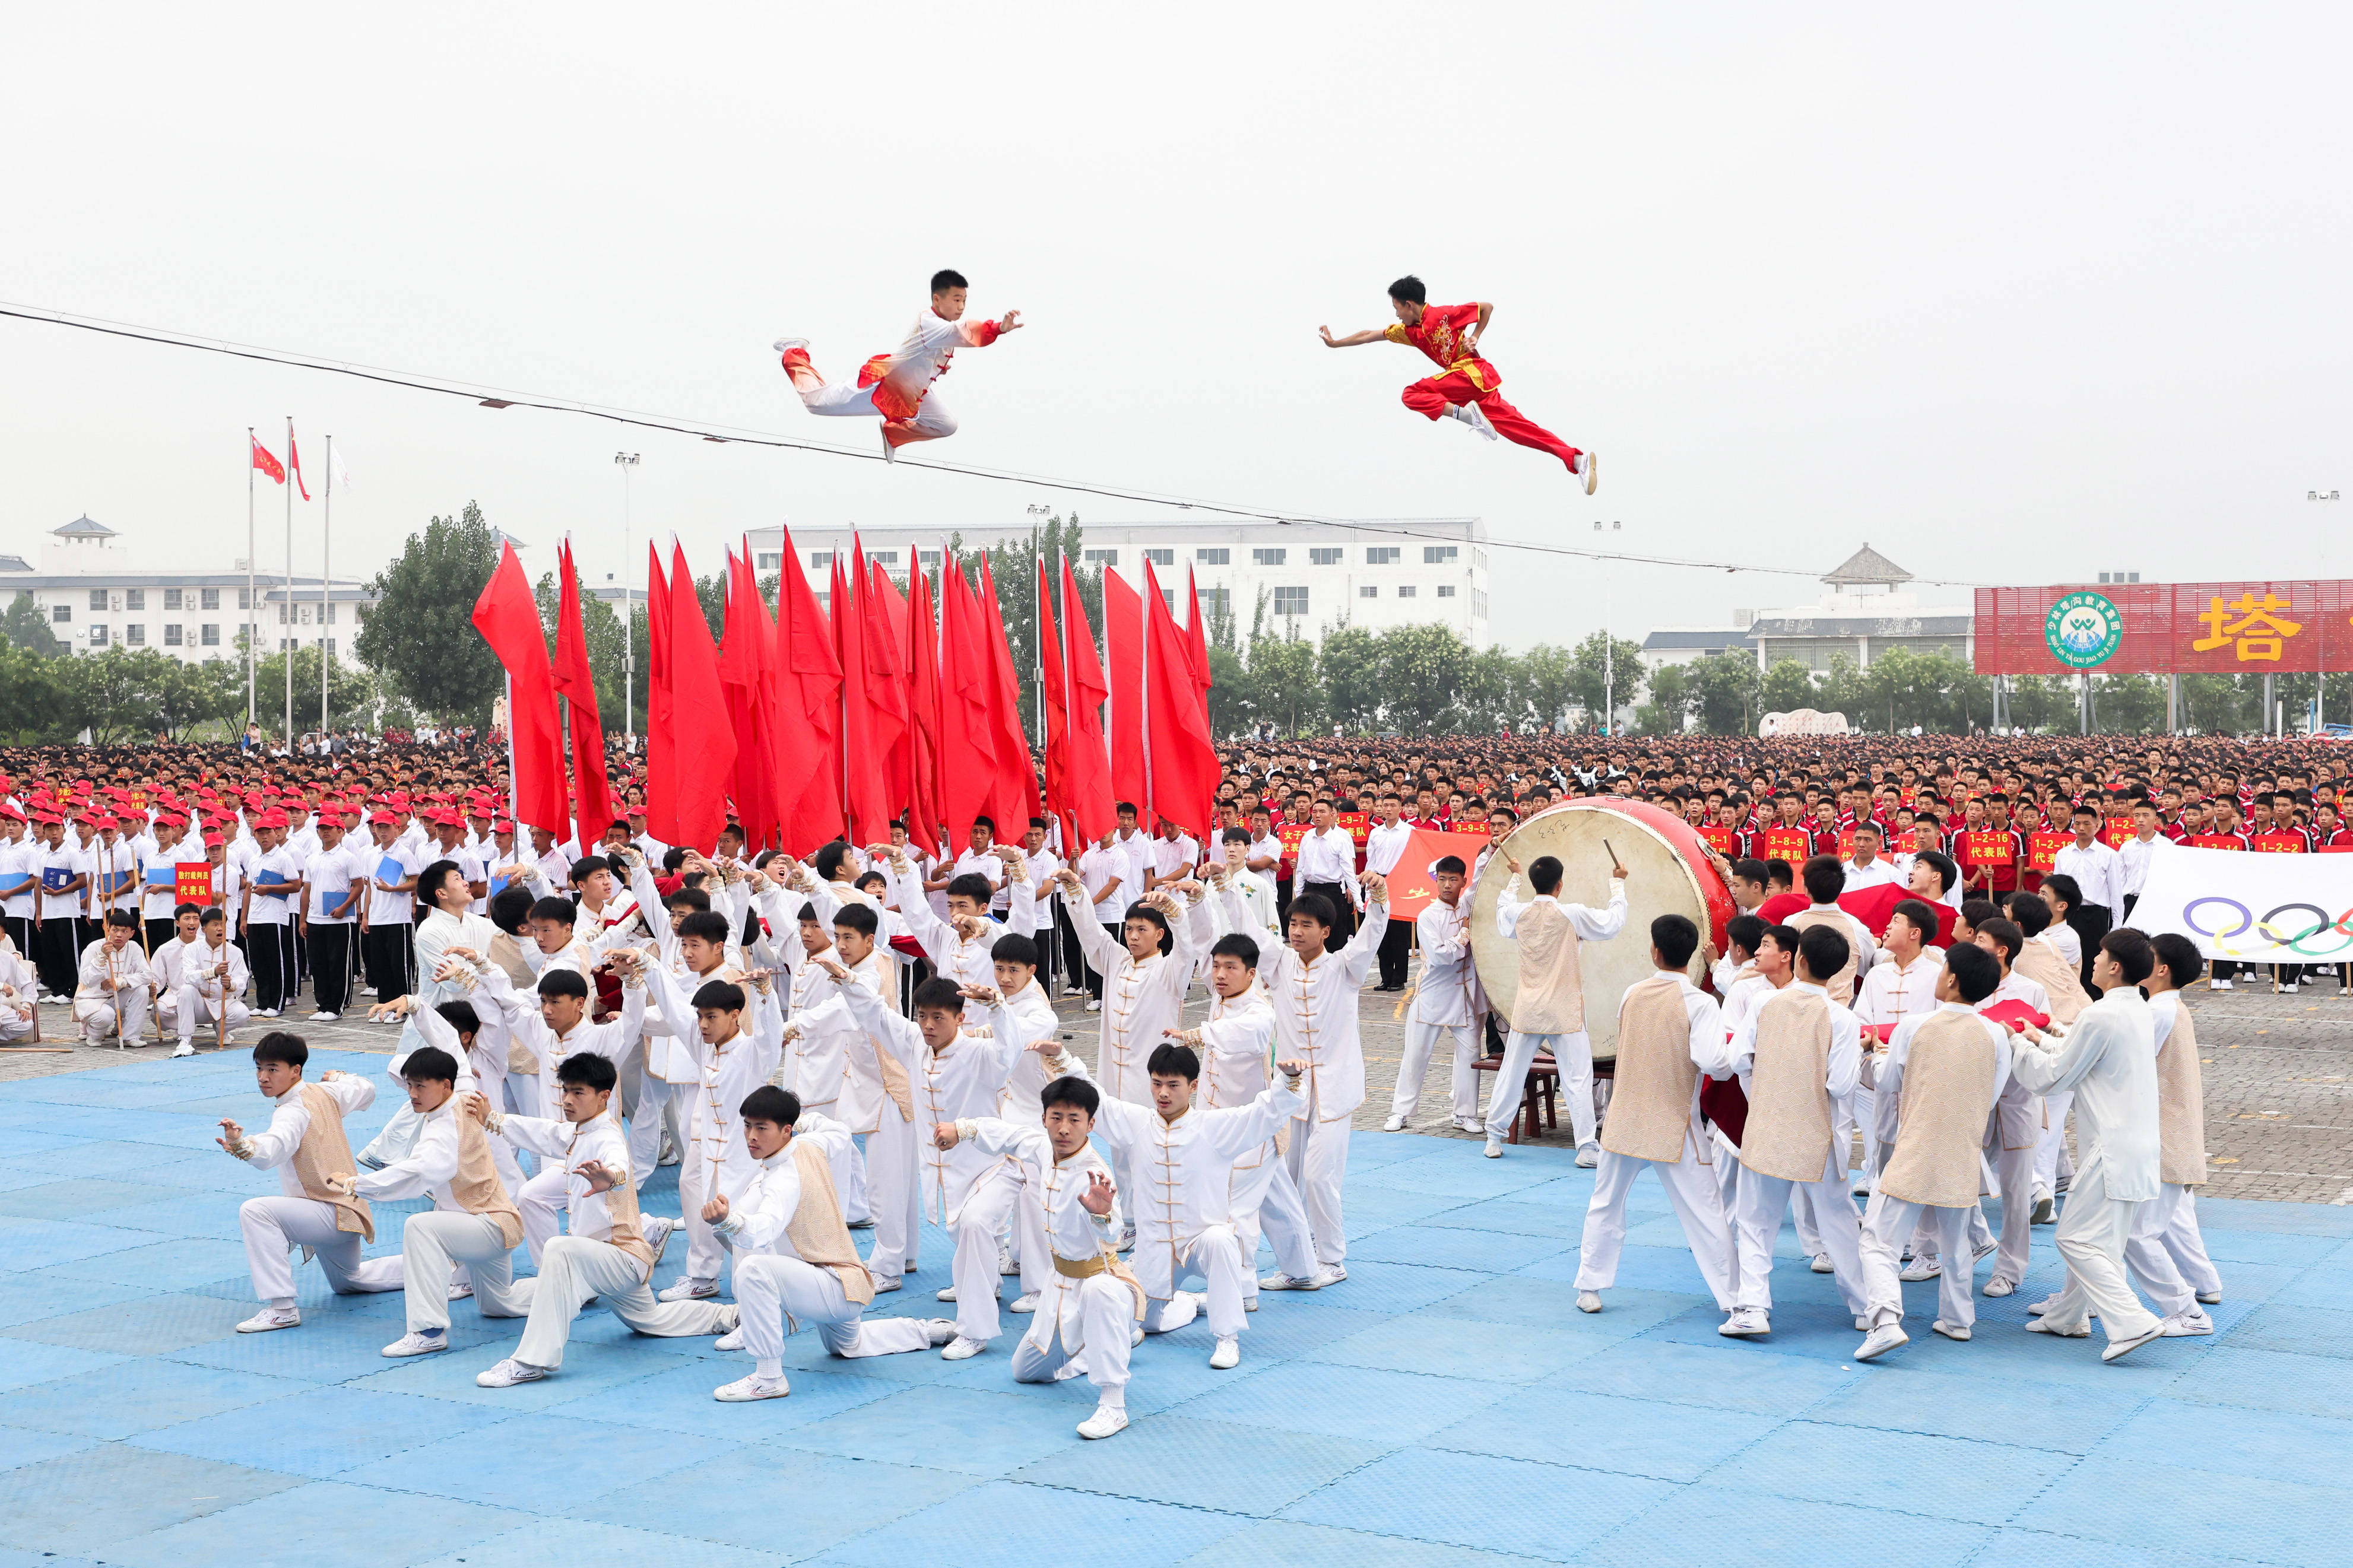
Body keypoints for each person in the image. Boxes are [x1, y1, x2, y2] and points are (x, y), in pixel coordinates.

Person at [470, 1051, 735, 1388]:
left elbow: (618, 1163)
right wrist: (492, 1119)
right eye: (565, 1090)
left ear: (604, 1096)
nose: (567, 1099)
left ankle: (530, 1361)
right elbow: (542, 1131)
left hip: (622, 1258)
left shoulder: (607, 1136)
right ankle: (732, 1315)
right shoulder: (578, 1131)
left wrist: (611, 1179)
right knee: (651, 1320)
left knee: (559, 1249)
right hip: (605, 1261)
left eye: (578, 1093)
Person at [704, 1086, 956, 1401]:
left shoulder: (784, 1177)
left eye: (761, 1128)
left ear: (785, 1131)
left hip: (832, 1288)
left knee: (754, 1269)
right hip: (844, 1283)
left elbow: (763, 1230)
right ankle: (933, 1330)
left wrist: (726, 1221)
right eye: (747, 1125)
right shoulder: (809, 1143)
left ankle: (769, 1377)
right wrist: (801, 1121)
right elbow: (839, 1130)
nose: (751, 1136)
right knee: (849, 1346)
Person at [936, 1075, 1145, 1440]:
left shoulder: (1095, 1172)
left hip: (1101, 1279)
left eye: (1074, 1119)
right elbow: (1008, 1135)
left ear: (1091, 1124)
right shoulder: (1042, 1147)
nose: (1064, 1128)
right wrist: (962, 1129)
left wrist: (1101, 1213)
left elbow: (1112, 1233)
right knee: (1026, 1371)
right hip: (1059, 1285)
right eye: (1056, 1117)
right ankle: (1103, 1342)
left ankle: (1113, 1404)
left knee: (1100, 1293)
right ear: (1045, 1117)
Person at [1085, 1042, 1311, 1372]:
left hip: (1201, 1243)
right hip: (1155, 1249)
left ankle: (1227, 1337)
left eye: (1173, 1085)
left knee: (1222, 1239)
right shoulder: (1136, 1123)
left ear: (1193, 1086)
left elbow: (1262, 1114)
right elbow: (1098, 1104)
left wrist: (1288, 1081)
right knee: (1146, 1325)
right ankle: (1189, 1303)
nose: (1163, 1093)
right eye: (1156, 1083)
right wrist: (1059, 1059)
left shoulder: (1214, 1127)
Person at [2013, 929, 2168, 1361]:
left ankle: (2133, 1321)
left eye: (2100, 955)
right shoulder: (2136, 1008)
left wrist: (2015, 1047)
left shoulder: (2101, 1015)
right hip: (2136, 1144)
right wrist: (2041, 1038)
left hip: (2113, 1146)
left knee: (2076, 1239)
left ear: (2115, 967)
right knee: (2103, 1241)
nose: (2093, 961)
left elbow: (2054, 1076)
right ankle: (2068, 1315)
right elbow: (2084, 1054)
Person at [1573, 915, 1738, 1319]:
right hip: (1674, 1120)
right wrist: (1742, 1053)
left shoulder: (1632, 993)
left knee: (1606, 1202)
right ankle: (1733, 1298)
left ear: (1655, 951)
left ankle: (1589, 1286)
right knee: (1705, 1211)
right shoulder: (1700, 1004)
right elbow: (1713, 1062)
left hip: (1625, 1115)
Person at [1854, 942, 2011, 1360]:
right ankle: (1958, 1319)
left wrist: (1875, 1053)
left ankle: (1885, 1319)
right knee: (1955, 1241)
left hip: (1917, 1146)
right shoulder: (1996, 1034)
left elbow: (1888, 1081)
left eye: (1943, 971)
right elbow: (1991, 1096)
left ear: (1953, 979)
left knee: (1877, 1240)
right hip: (1962, 1148)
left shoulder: (1916, 1026)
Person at [329, 1045, 530, 1358]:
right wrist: (416, 1007)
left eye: (420, 1086)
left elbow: (420, 1170)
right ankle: (571, 1289)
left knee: (420, 1226)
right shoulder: (460, 1095)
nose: (412, 1094)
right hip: (492, 1224)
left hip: (486, 1226)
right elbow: (449, 1041)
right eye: (409, 1085)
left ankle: (428, 1331)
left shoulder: (445, 1126)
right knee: (499, 1304)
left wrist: (358, 1184)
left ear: (445, 1085)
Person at [1318, 275, 1596, 492]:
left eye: (1396, 308)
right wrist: (1334, 343)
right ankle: (1576, 460)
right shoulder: (1408, 332)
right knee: (1522, 431)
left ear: (1409, 305)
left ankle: (1466, 416)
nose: (1396, 315)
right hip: (1474, 387)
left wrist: (1475, 336)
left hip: (1469, 373)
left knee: (1412, 393)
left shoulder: (1443, 315)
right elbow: (1369, 334)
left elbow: (1486, 308)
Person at [1723, 924, 1868, 1337]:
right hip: (1818, 1134)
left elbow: (1738, 1060)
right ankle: (1864, 1306)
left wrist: (1764, 1087)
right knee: (1837, 1222)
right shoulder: (1842, 1017)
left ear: (1799, 960)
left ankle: (1753, 1307)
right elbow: (1840, 1086)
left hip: (1768, 1123)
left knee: (1756, 1221)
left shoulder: (1765, 1003)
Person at [1241, 875, 1388, 1281]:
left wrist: (1378, 898)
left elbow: (1372, 933)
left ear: (1326, 931)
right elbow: (1249, 928)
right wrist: (1221, 887)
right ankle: (1297, 1265)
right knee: (1287, 1181)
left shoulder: (1345, 967)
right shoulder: (1279, 963)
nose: (1297, 932)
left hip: (1336, 1090)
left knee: (1319, 1177)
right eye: (1293, 925)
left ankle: (1332, 1261)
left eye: (1307, 925)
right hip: (1292, 1093)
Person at [218, 1033, 400, 1331]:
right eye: (259, 1068)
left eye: (273, 1069)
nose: (263, 1077)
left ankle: (282, 1308)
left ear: (296, 1071)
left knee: (256, 1211)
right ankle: (444, 1267)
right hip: (347, 1211)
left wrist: (242, 1145)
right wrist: (340, 1077)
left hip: (327, 1213)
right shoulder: (325, 1092)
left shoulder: (292, 1110)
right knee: (351, 1281)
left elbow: (273, 1149)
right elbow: (365, 1087)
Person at [775, 269, 1023, 459]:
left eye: (965, 301)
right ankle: (793, 352)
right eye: (956, 300)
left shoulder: (941, 327)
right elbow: (963, 331)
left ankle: (893, 433)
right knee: (814, 404)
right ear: (937, 299)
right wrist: (999, 328)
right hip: (882, 387)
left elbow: (940, 348)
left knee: (947, 425)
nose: (961, 307)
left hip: (912, 394)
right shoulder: (931, 323)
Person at [1487, 852, 1623, 1164]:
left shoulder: (1519, 913)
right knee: (1577, 1077)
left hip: (1529, 1007)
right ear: (1560, 885)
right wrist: (1618, 885)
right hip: (1564, 1009)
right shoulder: (1571, 914)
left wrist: (1514, 877)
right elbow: (1612, 924)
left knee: (1512, 1072)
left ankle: (1494, 1137)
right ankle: (1587, 1148)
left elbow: (1502, 910)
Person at [2123, 932, 2222, 1336]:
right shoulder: (2169, 1008)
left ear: (2161, 969)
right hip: (2173, 1137)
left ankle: (2189, 1312)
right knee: (2172, 1219)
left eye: (2148, 956)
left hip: (2163, 1138)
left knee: (2136, 1233)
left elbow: (2125, 1060)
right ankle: (2205, 1285)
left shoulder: (2158, 1013)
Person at [1385, 855, 1482, 1132]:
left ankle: (1464, 1114)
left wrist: (1489, 852)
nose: (1447, 885)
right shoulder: (1428, 915)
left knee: (1470, 1057)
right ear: (1435, 881)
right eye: (1442, 879)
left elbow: (1480, 881)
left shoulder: (1467, 904)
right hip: (1431, 994)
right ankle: (1400, 1111)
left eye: (1454, 879)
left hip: (1464, 996)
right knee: (1415, 1056)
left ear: (1463, 881)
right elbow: (1439, 956)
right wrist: (1463, 936)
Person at [74, 909, 156, 1045]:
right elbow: (86, 980)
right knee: (106, 1016)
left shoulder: (134, 947)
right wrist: (102, 957)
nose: (119, 935)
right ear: (107, 929)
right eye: (115, 930)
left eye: (124, 931)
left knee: (143, 990)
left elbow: (147, 975)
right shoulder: (94, 947)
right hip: (93, 998)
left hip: (119, 995)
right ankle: (93, 1035)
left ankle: (130, 1036)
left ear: (132, 933)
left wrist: (119, 982)